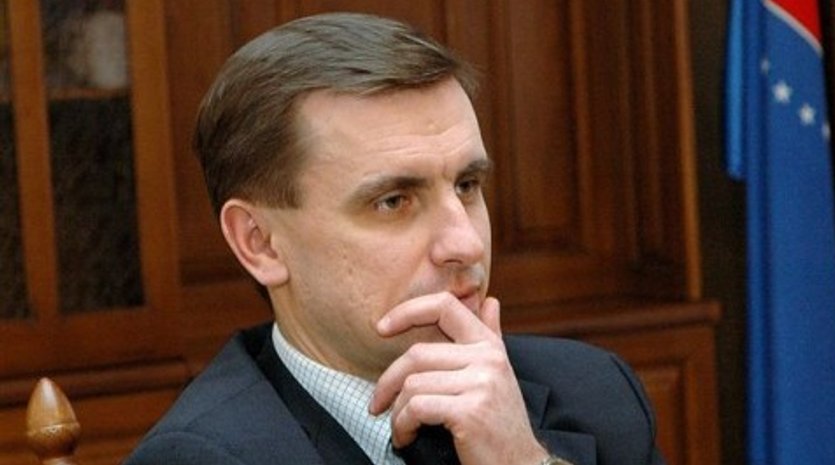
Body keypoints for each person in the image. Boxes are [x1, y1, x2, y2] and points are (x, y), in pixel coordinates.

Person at [125, 12, 665, 465]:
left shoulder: (594, 393)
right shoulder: (204, 456)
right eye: (393, 201)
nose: (466, 244)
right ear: (260, 243)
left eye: (467, 185)